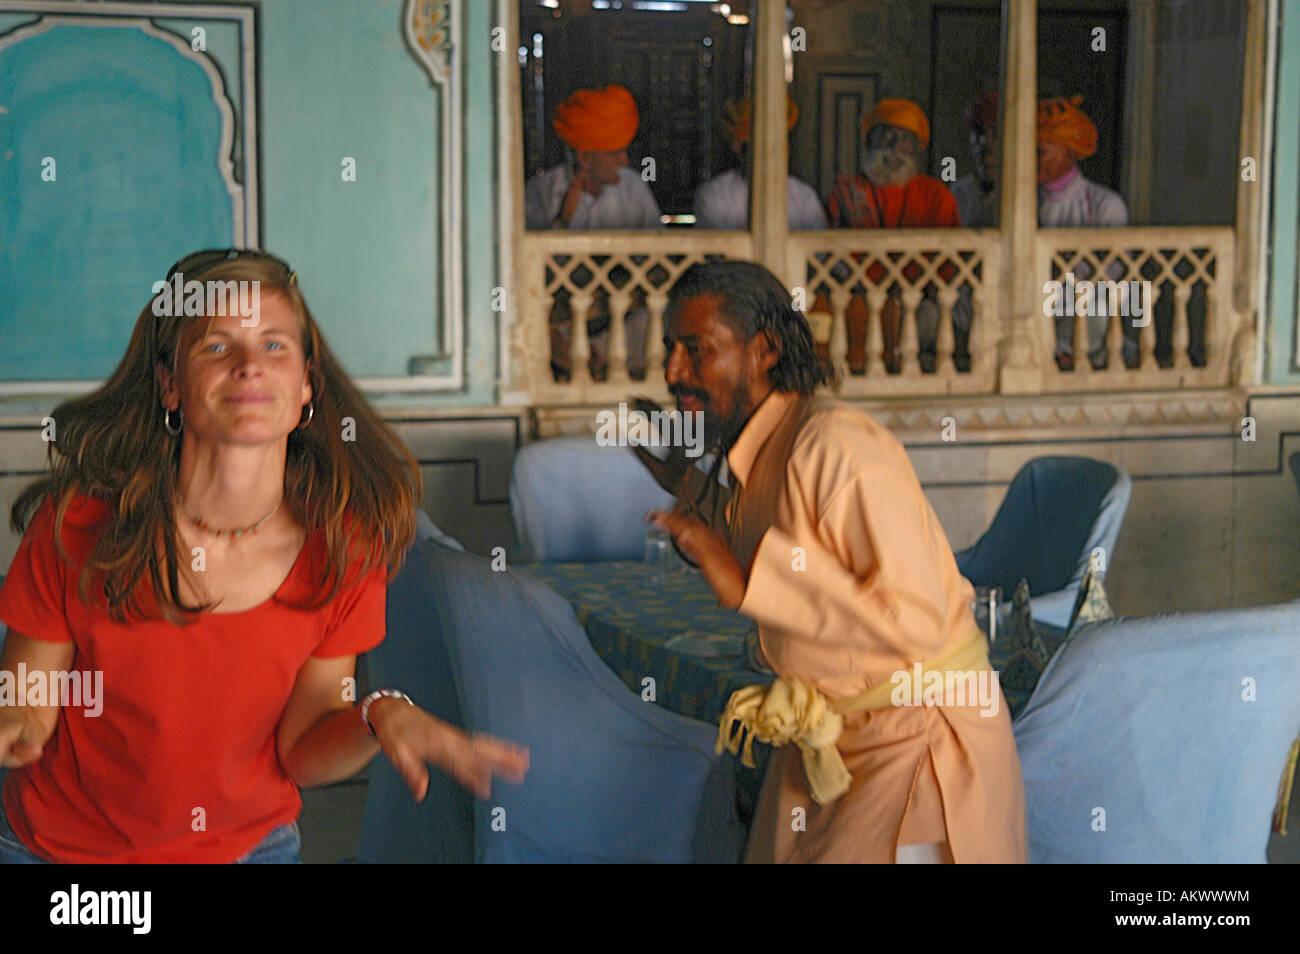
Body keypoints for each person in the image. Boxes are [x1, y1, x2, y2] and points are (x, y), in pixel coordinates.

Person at [0, 249, 528, 863]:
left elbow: (301, 748)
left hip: (248, 851)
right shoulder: (80, 524)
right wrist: (16, 723)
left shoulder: (342, 549)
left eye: (275, 346)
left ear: (306, 383)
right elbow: (28, 701)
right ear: (170, 384)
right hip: (60, 854)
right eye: (218, 347)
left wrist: (379, 717)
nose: (250, 365)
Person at [636, 260, 1026, 863]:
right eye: (671, 351)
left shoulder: (837, 445)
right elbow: (772, 539)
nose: (673, 372)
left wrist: (747, 587)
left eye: (696, 350)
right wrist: (686, 482)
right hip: (836, 738)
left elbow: (915, 621)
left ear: (763, 350)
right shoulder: (763, 446)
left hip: (916, 743)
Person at [524, 84, 661, 381]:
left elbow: (658, 264)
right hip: (558, 327)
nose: (624, 161)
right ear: (585, 158)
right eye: (615, 153)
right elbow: (525, 277)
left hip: (623, 322)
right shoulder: (541, 194)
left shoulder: (634, 189)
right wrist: (562, 220)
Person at [826, 99, 961, 373]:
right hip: (859, 307)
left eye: (904, 140)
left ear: (917, 148)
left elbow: (951, 267)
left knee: (933, 316)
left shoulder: (936, 195)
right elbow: (829, 260)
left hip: (917, 306)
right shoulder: (846, 190)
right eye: (884, 137)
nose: (893, 148)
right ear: (868, 143)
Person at [1037, 95, 1130, 370]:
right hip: (1029, 305)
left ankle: (1064, 354)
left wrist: (1066, 277)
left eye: (1041, 151)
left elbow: (1113, 274)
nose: (1032, 160)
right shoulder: (1016, 203)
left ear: (1069, 150)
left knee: (1095, 309)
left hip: (1076, 305)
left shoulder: (1105, 205)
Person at [692, 96, 827, 230]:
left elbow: (819, 247)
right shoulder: (714, 195)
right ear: (742, 148)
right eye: (762, 144)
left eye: (780, 143)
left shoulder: (804, 197)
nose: (774, 152)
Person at [948, 91, 1000, 371]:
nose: (986, 144)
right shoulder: (956, 195)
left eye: (996, 134)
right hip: (963, 306)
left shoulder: (1030, 196)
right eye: (979, 134)